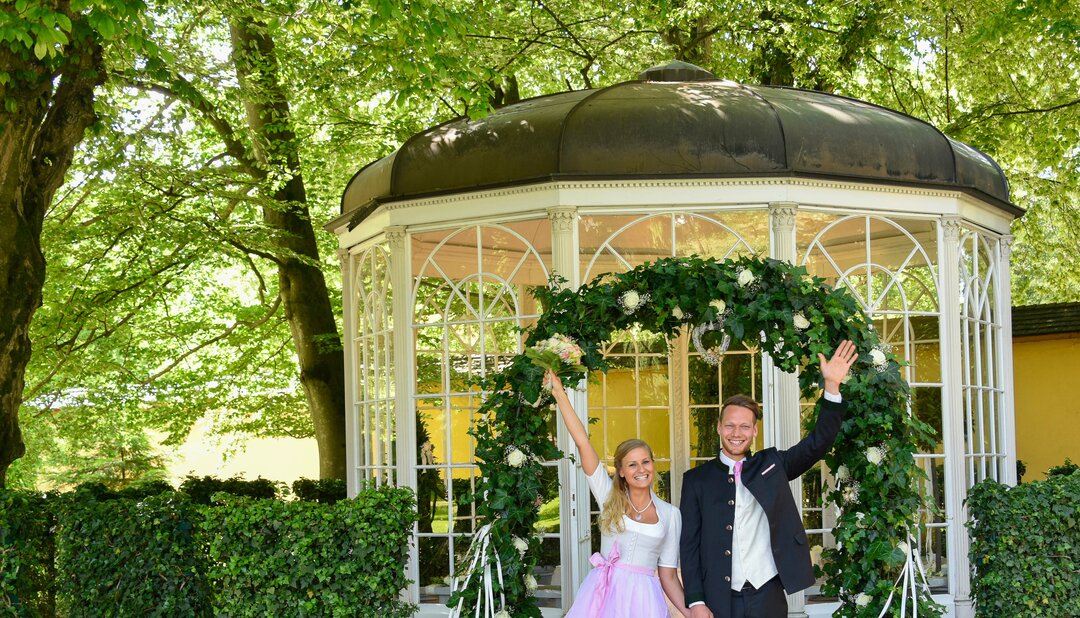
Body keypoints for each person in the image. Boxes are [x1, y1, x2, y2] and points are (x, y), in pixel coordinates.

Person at [680, 340, 858, 618]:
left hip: (767, 591)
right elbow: (689, 545)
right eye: (729, 425)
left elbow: (817, 443)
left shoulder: (772, 465)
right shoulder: (695, 481)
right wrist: (695, 601)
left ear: (754, 431)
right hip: (718, 596)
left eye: (744, 426)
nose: (736, 432)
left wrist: (832, 386)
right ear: (718, 428)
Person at [546, 370, 692, 618]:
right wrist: (560, 394)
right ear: (622, 471)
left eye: (645, 462)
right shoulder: (607, 496)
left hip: (645, 600)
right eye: (632, 464)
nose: (641, 469)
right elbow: (583, 442)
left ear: (653, 465)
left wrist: (687, 612)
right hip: (603, 594)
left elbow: (668, 574)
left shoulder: (670, 514)